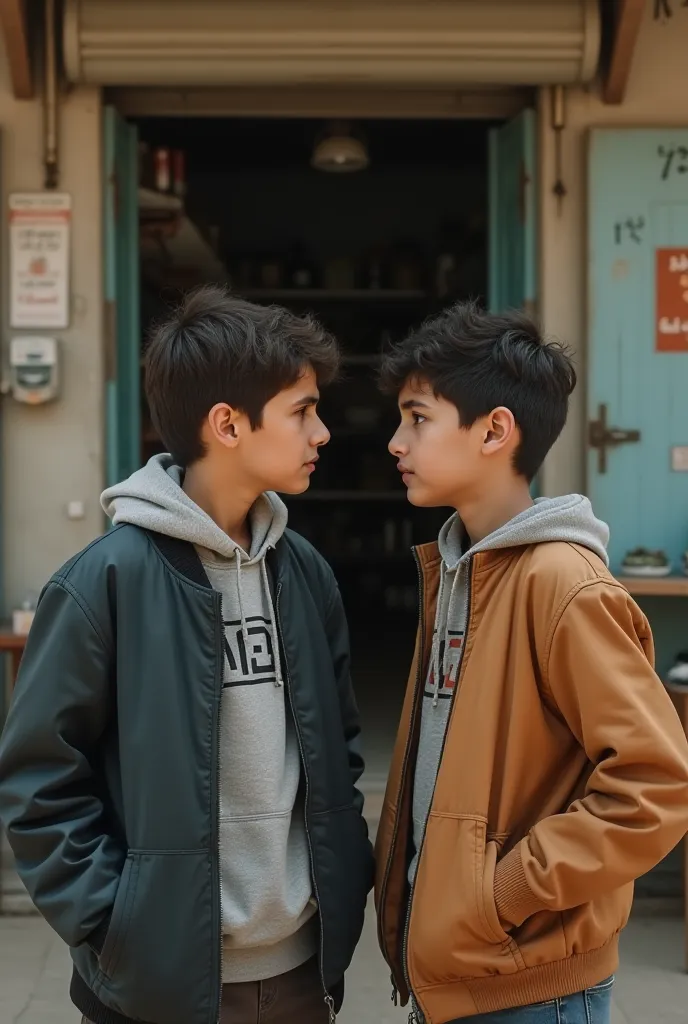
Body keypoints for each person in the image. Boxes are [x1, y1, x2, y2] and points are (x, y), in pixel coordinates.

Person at [0, 287, 374, 1024]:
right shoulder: (103, 583)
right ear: (227, 423)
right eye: (302, 411)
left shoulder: (305, 575)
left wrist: (343, 880)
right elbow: (41, 779)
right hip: (154, 985)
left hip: (304, 971)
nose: (322, 432)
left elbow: (341, 753)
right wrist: (116, 925)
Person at [374, 302, 688, 1024]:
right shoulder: (457, 570)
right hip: (460, 972)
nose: (396, 442)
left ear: (495, 430)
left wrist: (503, 892)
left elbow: (656, 784)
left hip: (533, 989)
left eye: (417, 418)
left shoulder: (559, 582)